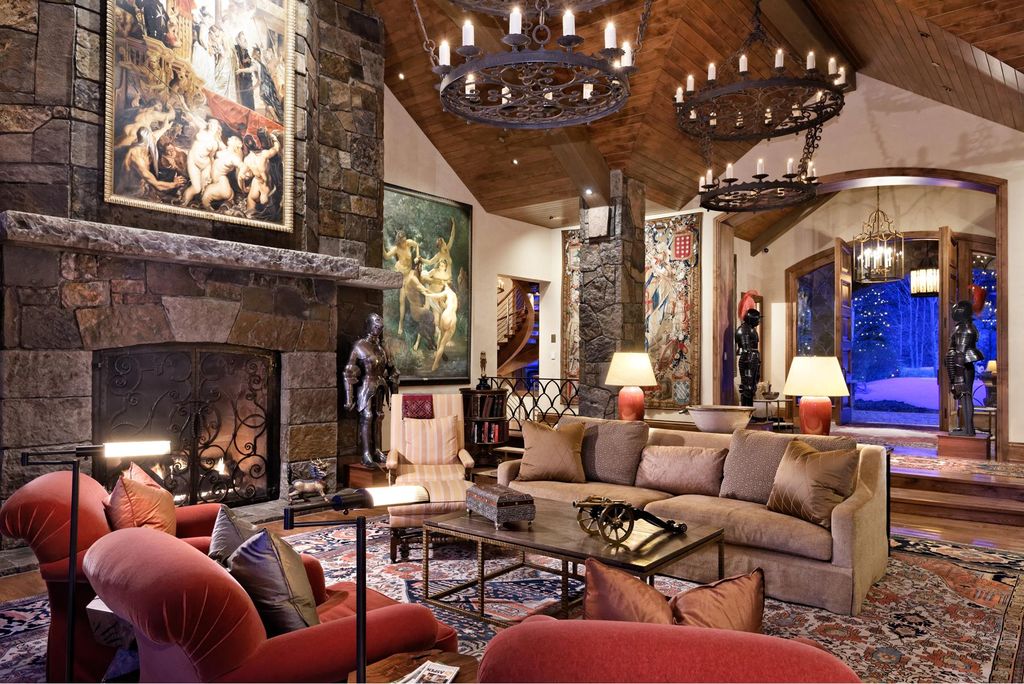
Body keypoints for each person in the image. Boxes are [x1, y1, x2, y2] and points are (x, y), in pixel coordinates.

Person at [344, 313, 400, 467]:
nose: (378, 329)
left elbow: (392, 370)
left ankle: (377, 450)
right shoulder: (359, 345)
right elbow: (349, 371)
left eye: (380, 326)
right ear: (369, 325)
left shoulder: (382, 348)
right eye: (375, 325)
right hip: (366, 385)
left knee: (379, 416)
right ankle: (366, 454)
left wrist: (394, 394)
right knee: (367, 416)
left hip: (380, 384)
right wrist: (349, 398)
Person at [945, 300, 984, 436]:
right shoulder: (965, 327)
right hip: (964, 366)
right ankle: (968, 428)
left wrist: (959, 378)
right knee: (965, 396)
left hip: (963, 366)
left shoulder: (964, 329)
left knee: (966, 396)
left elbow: (960, 353)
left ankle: (968, 429)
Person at [119, 126, 185, 196]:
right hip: (132, 192)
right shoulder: (137, 158)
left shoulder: (146, 141)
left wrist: (165, 127)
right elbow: (157, 185)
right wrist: (174, 184)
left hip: (144, 187)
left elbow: (155, 136)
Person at [384, 229, 422, 334]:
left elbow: (417, 245)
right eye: (403, 242)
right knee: (402, 300)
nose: (405, 243)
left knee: (415, 292)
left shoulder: (409, 243)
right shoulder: (396, 248)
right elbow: (386, 256)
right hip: (401, 274)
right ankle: (400, 324)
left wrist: (417, 256)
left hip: (409, 272)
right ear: (399, 242)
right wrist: (381, 245)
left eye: (405, 240)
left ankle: (418, 318)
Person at [181, 116, 225, 206]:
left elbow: (211, 157)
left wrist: (212, 173)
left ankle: (200, 206)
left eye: (214, 124)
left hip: (205, 165)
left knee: (205, 189)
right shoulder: (202, 131)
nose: (212, 125)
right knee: (196, 188)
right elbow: (194, 118)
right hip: (193, 161)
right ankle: (182, 205)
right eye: (211, 123)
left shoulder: (215, 143)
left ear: (218, 128)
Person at [417, 282, 459, 372]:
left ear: (447, 286)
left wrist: (427, 294)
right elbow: (440, 298)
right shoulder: (454, 296)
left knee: (440, 337)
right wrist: (429, 293)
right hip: (452, 317)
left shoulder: (447, 291)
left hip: (445, 316)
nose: (443, 288)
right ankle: (435, 364)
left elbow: (437, 295)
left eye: (444, 286)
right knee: (443, 344)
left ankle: (436, 359)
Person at [239, 129, 281, 216]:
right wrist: (274, 139)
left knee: (249, 215)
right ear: (256, 144)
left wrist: (243, 189)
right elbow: (277, 148)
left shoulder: (247, 159)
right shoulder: (264, 154)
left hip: (255, 189)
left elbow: (240, 176)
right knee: (274, 217)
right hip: (266, 191)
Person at [200, 136, 245, 209]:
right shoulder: (225, 149)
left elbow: (242, 166)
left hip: (222, 184)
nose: (229, 138)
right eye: (231, 137)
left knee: (205, 199)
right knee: (203, 198)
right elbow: (217, 140)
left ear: (238, 144)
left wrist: (243, 175)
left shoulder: (234, 157)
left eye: (234, 138)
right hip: (216, 182)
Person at [736, 308, 762, 407]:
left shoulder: (750, 329)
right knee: (748, 387)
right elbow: (746, 349)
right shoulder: (744, 330)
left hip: (753, 359)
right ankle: (746, 412)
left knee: (752, 386)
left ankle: (749, 411)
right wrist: (752, 361)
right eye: (757, 319)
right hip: (748, 359)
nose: (758, 321)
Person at [252, 46, 283, 122]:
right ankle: (271, 117)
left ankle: (275, 118)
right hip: (269, 85)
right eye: (265, 54)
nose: (266, 56)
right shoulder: (264, 64)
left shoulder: (270, 62)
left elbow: (278, 62)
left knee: (270, 101)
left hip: (269, 85)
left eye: (267, 54)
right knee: (270, 102)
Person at [233, 32, 258, 109]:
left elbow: (249, 59)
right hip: (241, 76)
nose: (243, 41)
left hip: (247, 76)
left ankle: (251, 110)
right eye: (241, 39)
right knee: (243, 95)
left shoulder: (245, 50)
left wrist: (248, 60)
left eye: (244, 39)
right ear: (239, 39)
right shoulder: (236, 48)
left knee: (249, 94)